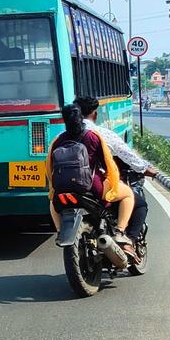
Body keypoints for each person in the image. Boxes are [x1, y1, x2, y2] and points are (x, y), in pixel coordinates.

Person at [46, 103, 137, 245]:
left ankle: (59, 230)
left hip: (63, 187)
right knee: (128, 194)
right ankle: (119, 232)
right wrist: (114, 180)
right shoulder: (92, 136)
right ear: (82, 118)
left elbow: (49, 168)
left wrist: (54, 188)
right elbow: (108, 163)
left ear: (64, 120)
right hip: (92, 187)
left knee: (53, 199)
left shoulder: (57, 140)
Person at [73, 96, 158, 243]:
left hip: (66, 186)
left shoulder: (62, 136)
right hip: (95, 185)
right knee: (136, 202)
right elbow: (129, 157)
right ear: (95, 114)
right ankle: (124, 238)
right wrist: (147, 169)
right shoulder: (101, 134)